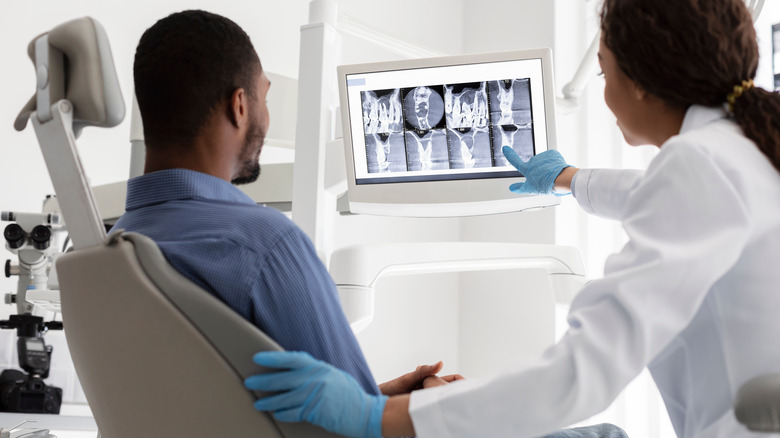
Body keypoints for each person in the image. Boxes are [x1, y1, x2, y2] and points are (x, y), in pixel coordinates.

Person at [244, 0, 780, 436]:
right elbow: (654, 196)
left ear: (640, 82)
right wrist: (566, 176)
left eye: (602, 71)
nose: (604, 90)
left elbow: (582, 373)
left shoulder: (698, 166)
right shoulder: (746, 147)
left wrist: (378, 417)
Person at [112, 10, 450, 401]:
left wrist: (377, 399)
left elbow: (197, 410)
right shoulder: (264, 246)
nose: (267, 116)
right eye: (265, 97)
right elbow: (356, 432)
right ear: (240, 105)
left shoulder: (114, 248)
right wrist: (432, 409)